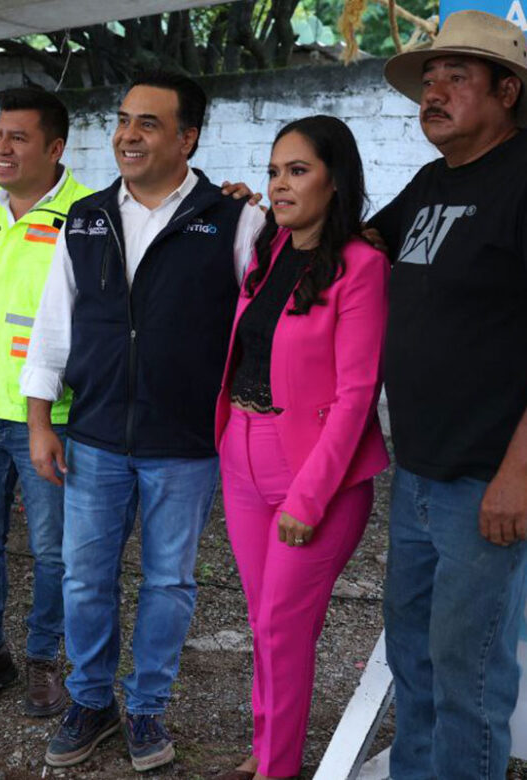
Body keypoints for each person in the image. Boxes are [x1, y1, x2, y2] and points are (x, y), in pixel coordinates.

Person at [21, 71, 264, 770]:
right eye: (123, 120)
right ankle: (90, 700)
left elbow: (266, 319)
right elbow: (51, 327)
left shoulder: (234, 220)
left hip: (185, 444)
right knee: (85, 577)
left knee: (170, 582)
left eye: (148, 124)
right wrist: (41, 422)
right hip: (94, 438)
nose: (128, 135)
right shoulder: (88, 217)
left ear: (188, 137)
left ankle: (147, 710)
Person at [368, 11, 527, 777]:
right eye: (428, 80)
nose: (432, 91)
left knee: (469, 682)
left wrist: (518, 473)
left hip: (486, 484)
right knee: (416, 667)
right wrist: (265, 210)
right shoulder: (432, 182)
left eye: (455, 77)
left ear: (508, 90)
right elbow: (358, 249)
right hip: (420, 474)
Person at [213, 116, 389, 780]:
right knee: (267, 625)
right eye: (274, 171)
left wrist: (309, 498)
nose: (280, 184)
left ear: (334, 181)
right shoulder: (267, 253)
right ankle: (267, 753)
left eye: (298, 170)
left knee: (283, 629)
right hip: (243, 455)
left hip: (315, 474)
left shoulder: (363, 265)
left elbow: (355, 395)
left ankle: (275, 770)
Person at [0, 87, 92, 717]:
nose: (0, 148)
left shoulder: (88, 214)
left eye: (18, 138)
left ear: (55, 148)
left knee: (55, 549)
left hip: (50, 416)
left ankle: (44, 661)